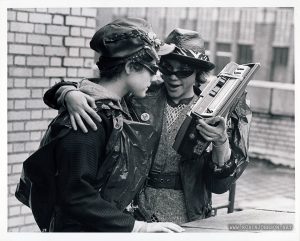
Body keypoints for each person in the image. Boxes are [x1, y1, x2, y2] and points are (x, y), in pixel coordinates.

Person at [43, 28, 252, 225]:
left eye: (184, 71)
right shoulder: (140, 93)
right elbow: (101, 86)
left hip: (188, 210)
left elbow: (220, 186)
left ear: (198, 73)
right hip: (136, 207)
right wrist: (68, 93)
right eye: (167, 68)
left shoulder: (214, 111)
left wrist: (221, 142)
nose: (173, 77)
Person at [15, 17, 185, 233]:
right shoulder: (88, 118)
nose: (158, 75)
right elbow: (75, 195)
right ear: (131, 66)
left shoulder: (116, 102)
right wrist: (137, 228)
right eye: (152, 68)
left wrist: (65, 90)